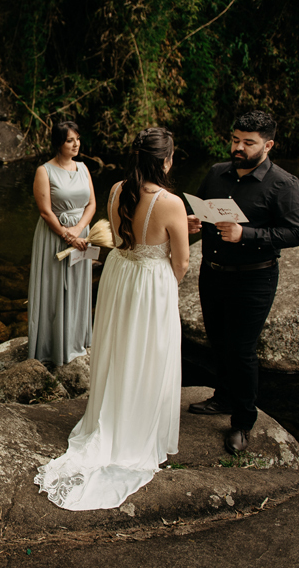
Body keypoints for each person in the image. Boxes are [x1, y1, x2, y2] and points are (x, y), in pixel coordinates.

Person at [35, 127, 189, 510]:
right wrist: (169, 280)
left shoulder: (118, 189)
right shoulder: (170, 202)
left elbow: (126, 240)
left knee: (119, 349)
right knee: (147, 353)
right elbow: (181, 261)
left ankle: (109, 417)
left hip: (119, 276)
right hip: (150, 284)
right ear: (165, 160)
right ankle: (135, 431)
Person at [186, 110, 299, 454]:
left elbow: (296, 232)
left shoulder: (285, 184)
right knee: (217, 340)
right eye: (235, 139)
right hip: (212, 272)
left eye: (248, 143)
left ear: (268, 145)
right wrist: (195, 222)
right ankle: (222, 398)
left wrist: (246, 234)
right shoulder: (215, 173)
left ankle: (242, 420)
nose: (238, 147)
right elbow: (204, 211)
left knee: (241, 349)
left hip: (254, 278)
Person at [26, 121, 97, 368]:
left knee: (78, 286)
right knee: (53, 288)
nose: (76, 144)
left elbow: (92, 205)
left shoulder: (84, 168)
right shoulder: (44, 171)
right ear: (58, 143)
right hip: (54, 236)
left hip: (81, 235)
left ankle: (76, 340)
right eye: (70, 140)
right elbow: (45, 212)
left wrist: (79, 231)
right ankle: (50, 347)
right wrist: (68, 235)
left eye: (77, 138)